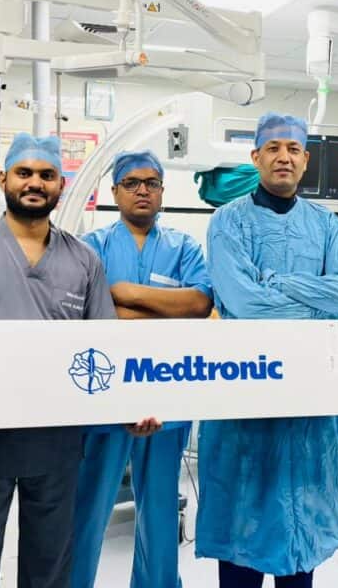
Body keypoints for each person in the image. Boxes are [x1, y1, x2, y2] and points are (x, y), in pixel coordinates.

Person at [0, 133, 161, 588]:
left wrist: (127, 408)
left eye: (47, 175)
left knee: (49, 566)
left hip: (55, 442)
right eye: (25, 173)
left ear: (61, 185)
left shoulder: (83, 261)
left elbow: (102, 351)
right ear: (3, 177)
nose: (35, 183)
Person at [196, 112, 338, 588]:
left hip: (310, 399)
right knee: (243, 527)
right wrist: (315, 300)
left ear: (305, 160)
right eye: (273, 148)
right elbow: (244, 304)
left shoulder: (327, 227)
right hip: (246, 396)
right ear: (256, 157)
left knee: (302, 529)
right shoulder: (228, 222)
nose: (283, 156)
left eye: (293, 148)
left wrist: (277, 282)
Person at [71, 150, 213, 588]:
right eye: (131, 182)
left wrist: (124, 292)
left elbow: (200, 303)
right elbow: (87, 312)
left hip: (166, 392)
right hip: (103, 396)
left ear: (163, 191)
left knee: (160, 511)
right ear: (114, 191)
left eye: (151, 182)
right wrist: (163, 312)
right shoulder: (90, 246)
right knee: (87, 508)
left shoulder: (184, 247)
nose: (142, 190)